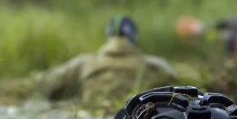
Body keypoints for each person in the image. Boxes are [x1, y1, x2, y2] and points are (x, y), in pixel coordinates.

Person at [34, 16, 176, 104]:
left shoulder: (84, 62)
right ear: (133, 37)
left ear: (108, 36)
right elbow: (175, 85)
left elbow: (47, 83)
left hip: (92, 113)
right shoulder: (154, 64)